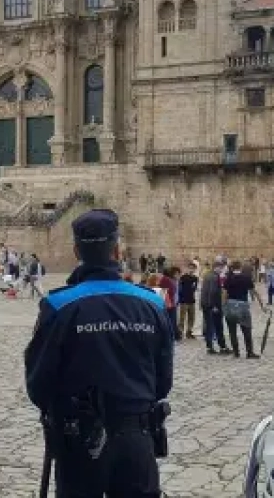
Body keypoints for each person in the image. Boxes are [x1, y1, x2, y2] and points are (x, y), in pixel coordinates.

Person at [24, 209, 173, 498]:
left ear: (76, 250)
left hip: (78, 440)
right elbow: (163, 380)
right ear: (117, 249)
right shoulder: (151, 304)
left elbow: (39, 382)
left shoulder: (59, 306)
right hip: (136, 438)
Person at [223, 261, 265, 359]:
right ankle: (249, 352)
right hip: (243, 306)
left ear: (232, 268)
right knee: (246, 330)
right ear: (240, 267)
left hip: (231, 304)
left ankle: (236, 353)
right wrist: (261, 305)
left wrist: (224, 306)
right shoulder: (246, 278)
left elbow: (224, 294)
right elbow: (254, 292)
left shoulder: (228, 279)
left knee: (232, 331)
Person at [199, 261, 230, 354]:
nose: (222, 270)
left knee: (209, 326)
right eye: (221, 268)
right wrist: (214, 306)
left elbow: (204, 291)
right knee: (218, 326)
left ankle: (210, 347)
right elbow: (212, 292)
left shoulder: (207, 275)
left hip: (206, 304)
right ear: (217, 267)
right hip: (212, 305)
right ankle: (222, 347)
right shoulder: (214, 277)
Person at [177, 264, 199, 339]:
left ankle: (189, 331)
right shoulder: (183, 277)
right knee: (182, 318)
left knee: (191, 317)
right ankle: (180, 332)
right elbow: (179, 288)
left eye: (193, 269)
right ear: (187, 268)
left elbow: (195, 288)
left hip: (191, 300)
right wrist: (179, 298)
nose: (191, 270)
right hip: (184, 300)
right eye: (190, 268)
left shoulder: (196, 278)